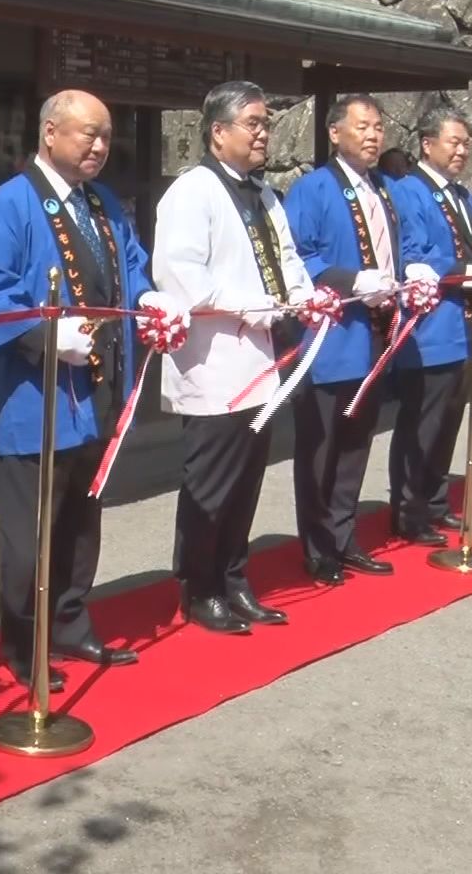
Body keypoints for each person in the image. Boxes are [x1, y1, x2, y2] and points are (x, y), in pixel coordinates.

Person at [0, 89, 172, 691]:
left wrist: (149, 295)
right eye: (88, 134)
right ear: (50, 132)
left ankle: (71, 617)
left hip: (98, 384)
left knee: (83, 518)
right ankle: (24, 639)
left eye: (106, 136)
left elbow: (130, 265)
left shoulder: (104, 203)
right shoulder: (9, 205)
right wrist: (47, 337)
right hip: (37, 391)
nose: (100, 147)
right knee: (31, 528)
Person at [153, 81, 312, 635]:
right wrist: (255, 305)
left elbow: (287, 260)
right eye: (253, 122)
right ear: (218, 132)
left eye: (266, 122)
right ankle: (199, 586)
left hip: (262, 360)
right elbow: (181, 277)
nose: (264, 131)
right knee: (211, 482)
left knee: (246, 480)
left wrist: (305, 294)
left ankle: (235, 577)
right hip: (215, 361)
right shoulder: (191, 192)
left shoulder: (265, 196)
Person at [281, 94, 402, 586]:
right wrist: (351, 280)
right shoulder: (312, 190)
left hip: (376, 334)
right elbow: (296, 256)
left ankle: (344, 532)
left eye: (377, 127)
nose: (373, 135)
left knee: (357, 444)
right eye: (362, 126)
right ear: (334, 133)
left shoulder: (384, 190)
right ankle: (316, 545)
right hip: (330, 337)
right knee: (321, 446)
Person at [384, 107, 472, 547]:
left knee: (450, 416)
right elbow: (413, 254)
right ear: (427, 144)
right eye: (454, 142)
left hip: (465, 318)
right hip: (432, 321)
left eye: (466, 142)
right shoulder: (409, 192)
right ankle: (407, 508)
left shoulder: (462, 196)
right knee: (421, 420)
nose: (462, 150)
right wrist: (464, 269)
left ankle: (432, 499)